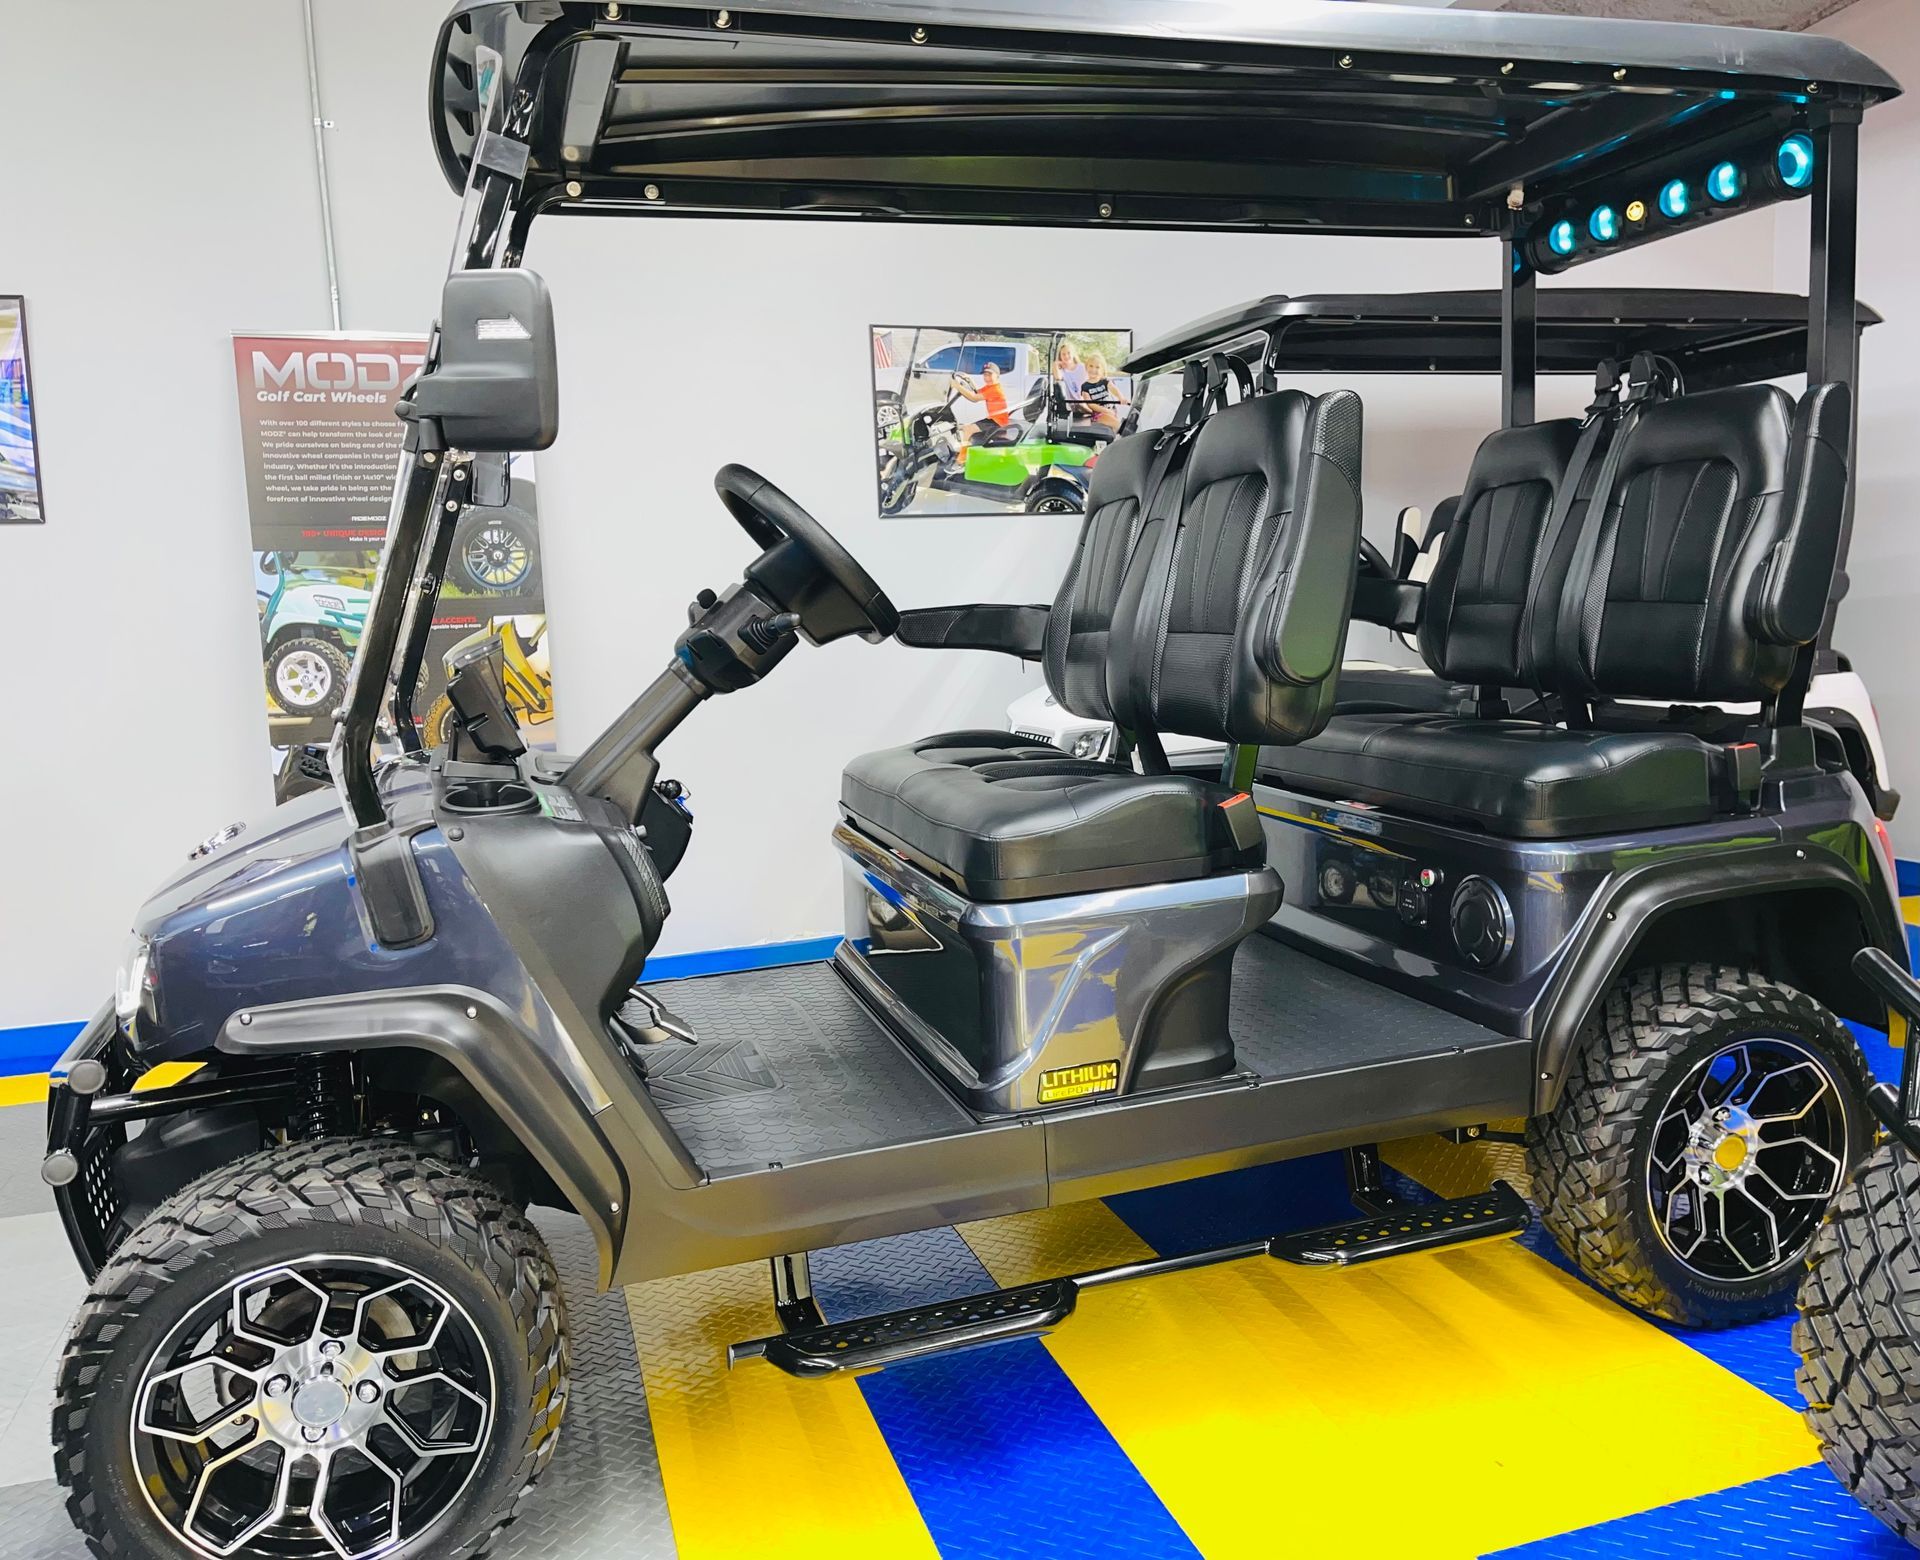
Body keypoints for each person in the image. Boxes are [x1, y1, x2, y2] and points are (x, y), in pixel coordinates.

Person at [950, 359, 1013, 449]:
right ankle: (966, 451)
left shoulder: (995, 390)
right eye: (985, 375)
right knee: (965, 428)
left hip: (997, 423)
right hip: (993, 420)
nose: (987, 377)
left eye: (990, 374)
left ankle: (963, 456)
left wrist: (957, 386)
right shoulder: (990, 387)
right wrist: (969, 380)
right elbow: (975, 392)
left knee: (968, 429)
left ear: (997, 375)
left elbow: (974, 398)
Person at [1079, 349, 1131, 430]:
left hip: (1111, 411)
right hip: (1099, 415)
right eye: (1091, 366)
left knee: (1115, 428)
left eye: (1097, 367)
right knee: (1118, 425)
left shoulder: (1105, 381)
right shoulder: (1085, 386)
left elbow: (1114, 390)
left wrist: (1121, 397)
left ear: (1102, 369)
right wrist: (1105, 410)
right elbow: (1090, 404)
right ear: (1086, 367)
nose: (1093, 369)